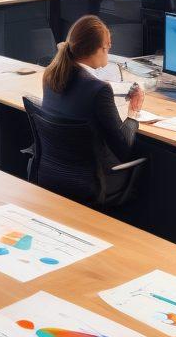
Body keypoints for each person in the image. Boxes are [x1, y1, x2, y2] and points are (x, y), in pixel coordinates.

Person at [40, 15, 145, 203]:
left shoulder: (51, 74)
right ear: (99, 49)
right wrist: (133, 112)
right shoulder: (99, 90)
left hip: (53, 175)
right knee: (152, 157)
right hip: (92, 183)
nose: (108, 50)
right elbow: (124, 150)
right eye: (108, 46)